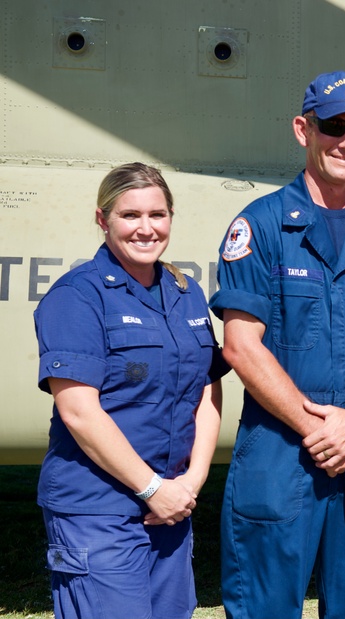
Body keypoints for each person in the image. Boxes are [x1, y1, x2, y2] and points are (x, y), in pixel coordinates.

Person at [209, 71, 345, 619]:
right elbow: (240, 345)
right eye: (333, 126)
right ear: (304, 129)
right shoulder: (261, 225)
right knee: (265, 606)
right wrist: (318, 428)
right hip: (281, 452)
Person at [33, 162, 227, 619]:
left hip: (172, 506)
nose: (146, 229)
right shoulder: (77, 296)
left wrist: (190, 483)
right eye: (130, 216)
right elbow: (79, 411)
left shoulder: (186, 292)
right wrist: (151, 487)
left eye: (157, 215)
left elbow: (208, 391)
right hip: (97, 508)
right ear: (103, 221)